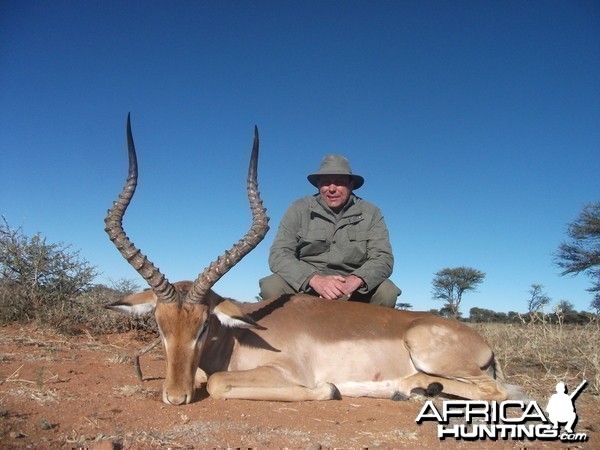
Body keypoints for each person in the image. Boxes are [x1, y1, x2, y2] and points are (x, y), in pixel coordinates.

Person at [259, 154, 401, 307]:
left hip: (353, 290)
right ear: (319, 185)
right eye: (326, 183)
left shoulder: (372, 213)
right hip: (308, 286)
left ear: (351, 185)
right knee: (271, 286)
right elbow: (279, 254)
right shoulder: (298, 209)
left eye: (339, 183)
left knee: (387, 292)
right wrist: (314, 280)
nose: (332, 189)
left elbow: (383, 258)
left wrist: (355, 280)